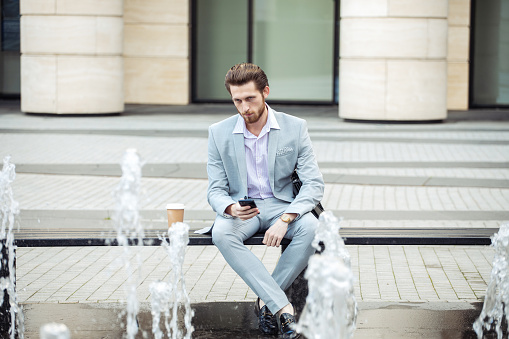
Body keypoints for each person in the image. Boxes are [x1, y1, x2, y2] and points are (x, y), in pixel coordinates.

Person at [206, 63, 324, 338]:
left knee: (312, 228)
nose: (244, 107)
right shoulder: (218, 133)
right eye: (237, 100)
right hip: (243, 210)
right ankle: (283, 307)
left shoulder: (294, 128)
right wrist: (229, 207)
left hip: (283, 205)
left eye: (250, 98)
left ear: (265, 92)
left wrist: (286, 219)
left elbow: (314, 184)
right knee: (222, 234)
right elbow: (215, 190)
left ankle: (265, 303)